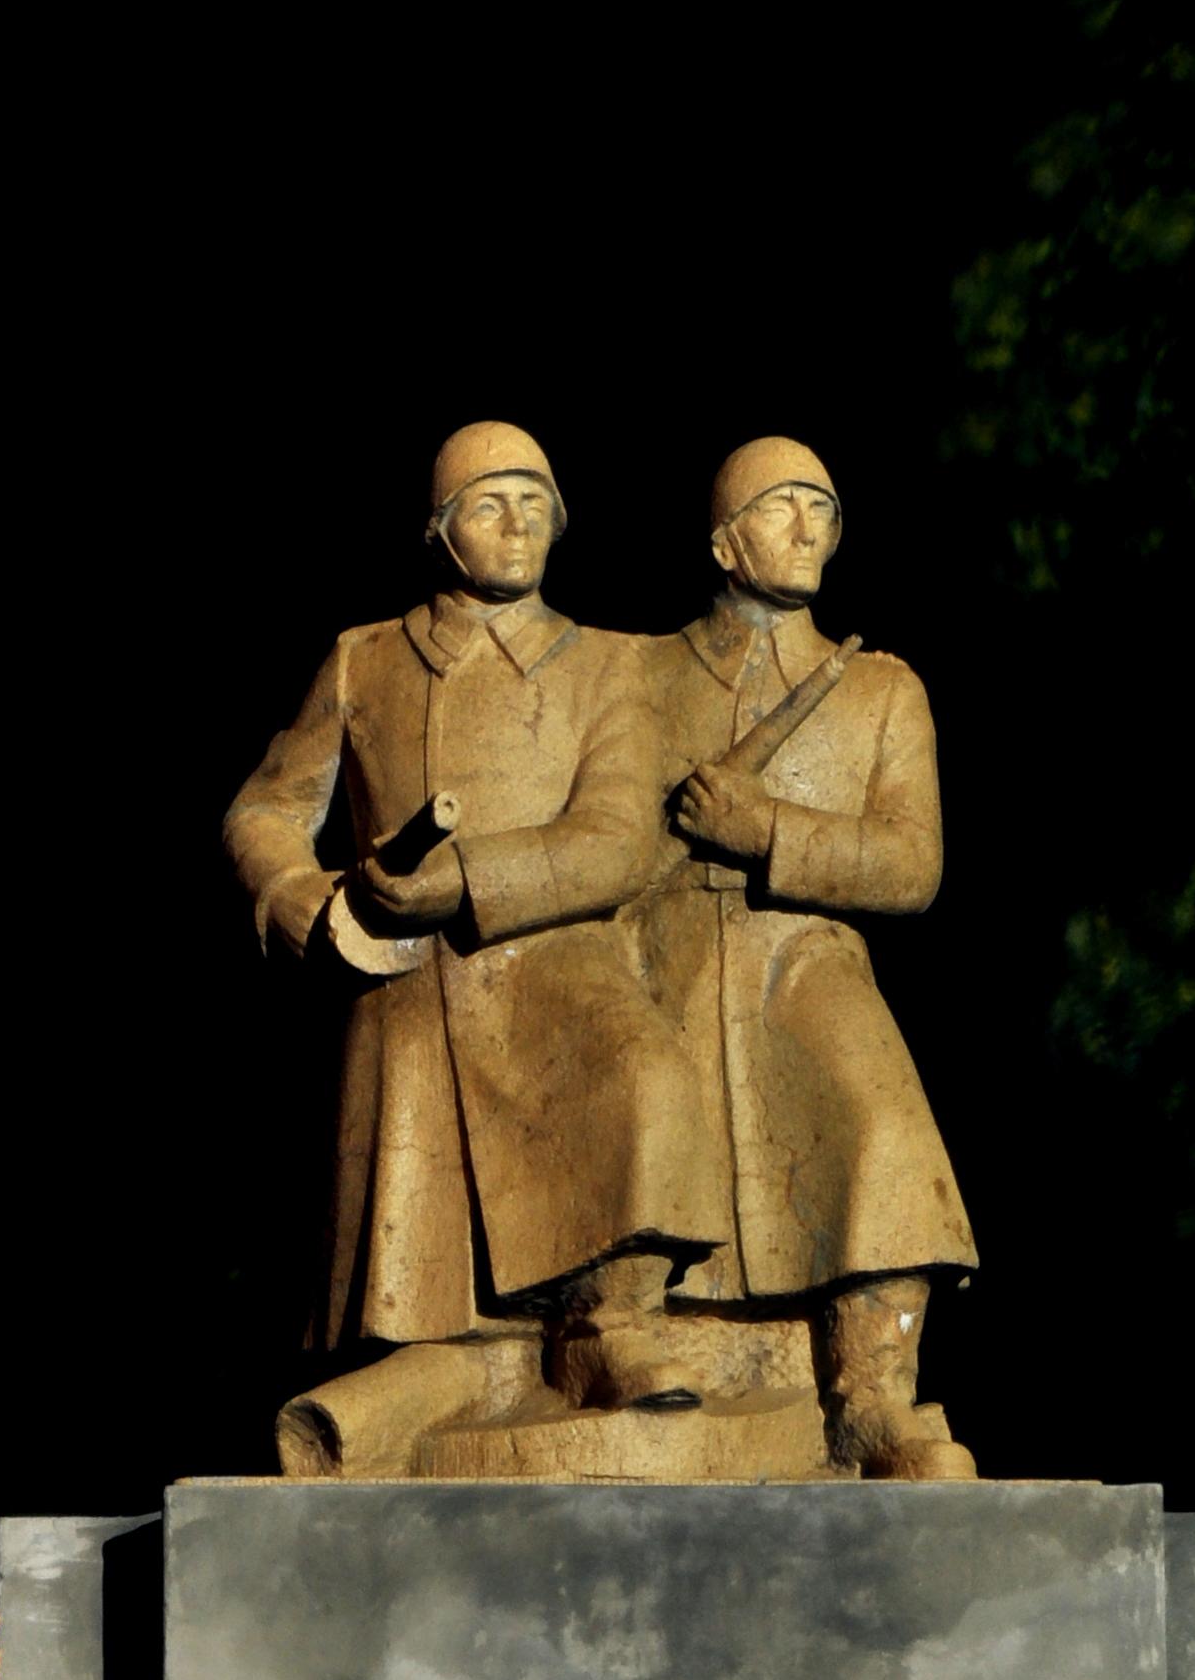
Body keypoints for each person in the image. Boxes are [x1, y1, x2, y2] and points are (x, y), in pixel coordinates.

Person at [222, 422, 730, 1464]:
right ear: (439, 529)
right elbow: (264, 809)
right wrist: (306, 900)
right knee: (410, 1086)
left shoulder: (605, 666)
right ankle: (437, 1360)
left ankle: (609, 1326)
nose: (517, 525)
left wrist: (458, 880)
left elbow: (617, 839)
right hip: (405, 981)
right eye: (491, 504)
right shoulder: (364, 658)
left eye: (535, 505)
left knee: (647, 1074)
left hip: (555, 956)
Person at [635, 437, 977, 1478]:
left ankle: (872, 1399)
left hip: (808, 959)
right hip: (669, 955)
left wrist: (768, 830)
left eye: (822, 511)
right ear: (722, 538)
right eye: (784, 508)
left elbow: (912, 865)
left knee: (881, 1127)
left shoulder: (879, 690)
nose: (809, 530)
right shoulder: (637, 674)